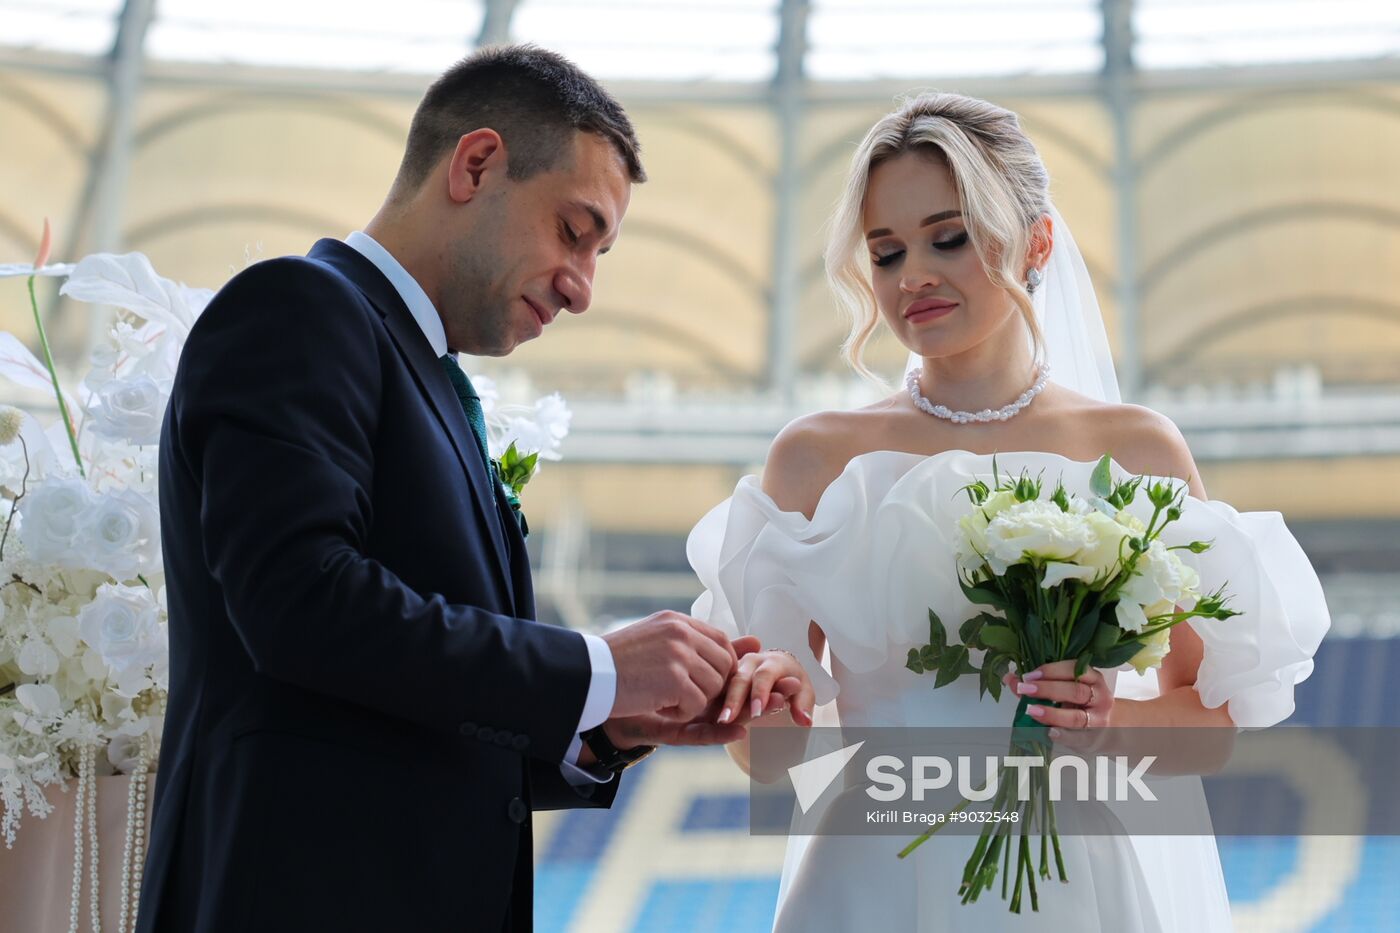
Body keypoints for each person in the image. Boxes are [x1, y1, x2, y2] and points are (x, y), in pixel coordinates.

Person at [137, 45, 805, 933]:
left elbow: (412, 722)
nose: (584, 288)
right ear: (477, 163)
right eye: (574, 232)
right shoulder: (300, 307)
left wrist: (607, 723)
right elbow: (298, 603)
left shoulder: (432, 381)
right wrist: (600, 665)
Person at [689, 92, 1329, 931]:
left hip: (1075, 880)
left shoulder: (1137, 450)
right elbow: (768, 760)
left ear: (1038, 241)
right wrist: (772, 707)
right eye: (885, 252)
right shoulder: (814, 457)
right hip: (871, 876)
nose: (912, 274)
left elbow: (1208, 728)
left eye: (947, 237)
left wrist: (1110, 727)